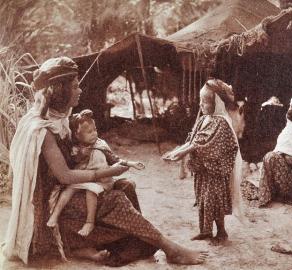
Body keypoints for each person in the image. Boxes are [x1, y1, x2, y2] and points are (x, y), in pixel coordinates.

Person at [2, 56, 207, 266]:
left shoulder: (60, 120)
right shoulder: (42, 129)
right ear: (60, 91)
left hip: (70, 189)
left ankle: (139, 241)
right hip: (53, 206)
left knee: (125, 186)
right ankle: (169, 248)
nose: (80, 91)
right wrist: (107, 172)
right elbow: (64, 175)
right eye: (74, 87)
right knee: (114, 199)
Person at [163, 78, 243, 244]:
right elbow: (193, 139)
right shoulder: (204, 119)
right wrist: (176, 151)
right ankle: (205, 231)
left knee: (214, 201)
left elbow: (203, 143)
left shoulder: (221, 122)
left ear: (218, 103)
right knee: (203, 200)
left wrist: (181, 153)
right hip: (203, 171)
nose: (201, 105)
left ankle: (221, 232)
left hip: (215, 172)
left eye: (206, 101)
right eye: (201, 101)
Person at [46, 109, 145, 237]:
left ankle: (89, 222)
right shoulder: (77, 149)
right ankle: (54, 215)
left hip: (102, 180)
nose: (94, 134)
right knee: (69, 190)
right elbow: (71, 164)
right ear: (77, 135)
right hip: (85, 178)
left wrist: (131, 163)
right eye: (89, 132)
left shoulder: (101, 145)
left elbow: (114, 159)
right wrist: (81, 155)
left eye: (95, 130)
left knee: (91, 191)